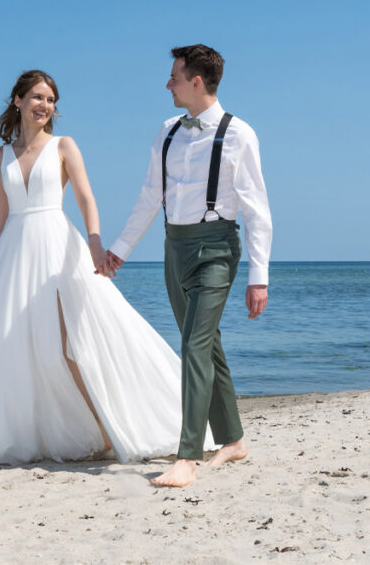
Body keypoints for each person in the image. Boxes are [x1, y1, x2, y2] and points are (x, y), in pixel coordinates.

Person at [0, 70, 211, 466]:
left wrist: (94, 244)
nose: (45, 105)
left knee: (75, 344)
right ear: (17, 101)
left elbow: (87, 199)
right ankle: (33, 437)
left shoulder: (64, 146)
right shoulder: (1, 156)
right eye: (37, 97)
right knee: (12, 347)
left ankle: (111, 430)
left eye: (51, 100)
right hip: (15, 258)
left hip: (58, 249)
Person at [106, 44, 273, 487]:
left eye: (174, 77)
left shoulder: (240, 135)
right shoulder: (167, 131)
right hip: (173, 248)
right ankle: (234, 439)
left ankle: (187, 458)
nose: (168, 85)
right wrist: (120, 247)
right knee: (207, 344)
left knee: (194, 347)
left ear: (196, 82)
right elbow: (149, 195)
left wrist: (259, 277)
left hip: (217, 250)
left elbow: (257, 210)